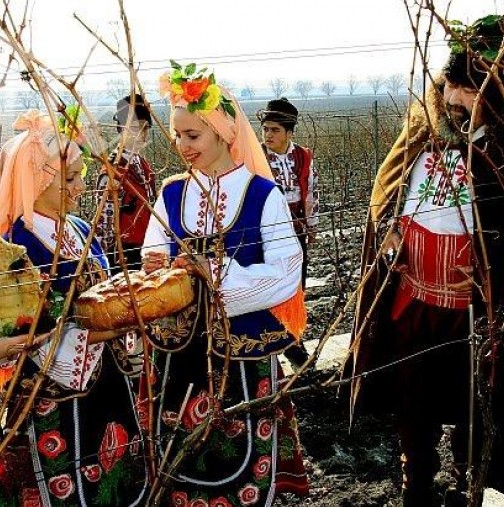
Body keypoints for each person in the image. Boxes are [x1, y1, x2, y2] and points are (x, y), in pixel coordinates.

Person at [347, 15, 504, 507]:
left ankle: (469, 485)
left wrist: (488, 267)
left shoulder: (497, 151)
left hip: (472, 312)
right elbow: (387, 189)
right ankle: (416, 485)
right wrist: (390, 227)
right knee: (413, 406)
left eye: (473, 92)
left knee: (471, 409)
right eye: (455, 86)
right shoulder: (423, 131)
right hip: (413, 302)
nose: (460, 102)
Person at [142, 63, 309, 506]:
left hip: (242, 354)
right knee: (179, 462)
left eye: (192, 135)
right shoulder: (172, 193)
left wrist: (215, 280)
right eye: (177, 135)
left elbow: (287, 271)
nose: (181, 145)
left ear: (221, 132)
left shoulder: (261, 195)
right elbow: (151, 259)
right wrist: (163, 271)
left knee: (241, 467)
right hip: (180, 356)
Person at [0, 110, 149, 506]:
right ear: (35, 180)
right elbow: (34, 334)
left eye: (81, 174)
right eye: (69, 178)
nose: (82, 186)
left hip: (108, 389)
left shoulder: (80, 231)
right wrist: (108, 327)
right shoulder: (15, 247)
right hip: (53, 403)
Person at [257, 97, 319, 371]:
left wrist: (311, 224)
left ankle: (294, 342)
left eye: (275, 130)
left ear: (289, 133)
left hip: (296, 234)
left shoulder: (303, 156)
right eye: (266, 129)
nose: (268, 135)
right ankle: (267, 343)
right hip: (267, 236)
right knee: (269, 288)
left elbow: (311, 191)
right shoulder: (256, 158)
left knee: (296, 288)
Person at [96, 93, 156, 272]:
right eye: (136, 128)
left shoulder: (143, 165)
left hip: (148, 247)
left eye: (146, 128)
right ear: (122, 128)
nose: (142, 135)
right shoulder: (112, 172)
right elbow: (105, 227)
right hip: (124, 255)